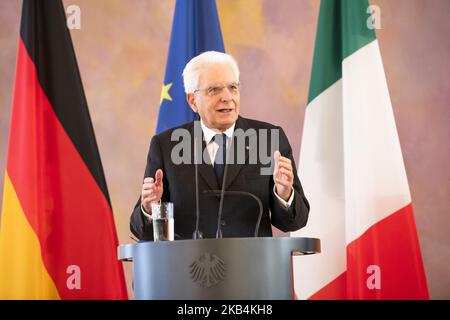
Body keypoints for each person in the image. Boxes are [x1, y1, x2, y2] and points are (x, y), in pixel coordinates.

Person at [130, 51, 309, 241]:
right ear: (192, 101)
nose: (227, 97)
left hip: (253, 267)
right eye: (214, 90)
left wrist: (285, 194)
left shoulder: (268, 139)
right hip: (188, 268)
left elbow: (295, 222)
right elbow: (141, 231)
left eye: (232, 87)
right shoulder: (166, 146)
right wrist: (150, 207)